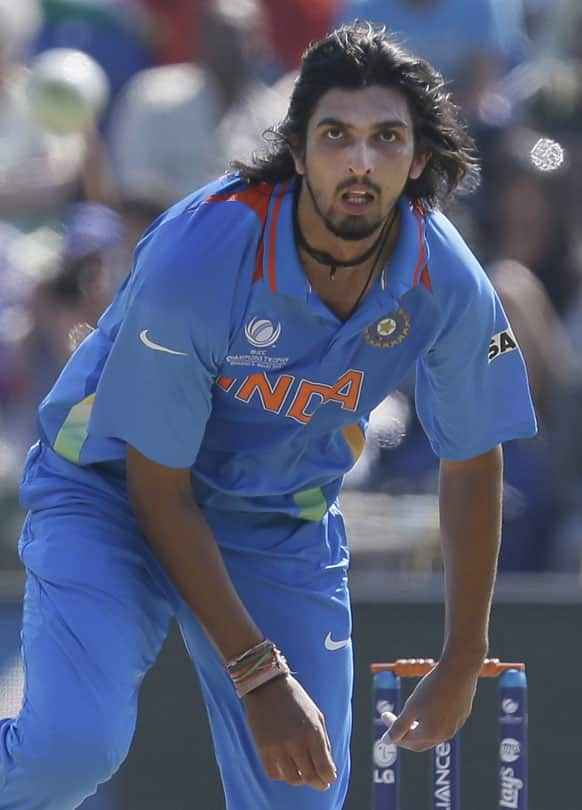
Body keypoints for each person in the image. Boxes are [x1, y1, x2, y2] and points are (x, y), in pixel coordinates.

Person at [0, 21, 537, 810]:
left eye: (387, 138)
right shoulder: (202, 255)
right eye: (335, 136)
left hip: (276, 520)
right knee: (70, 753)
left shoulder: (444, 276)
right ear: (296, 150)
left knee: (304, 798)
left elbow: (473, 457)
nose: (360, 161)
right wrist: (259, 673)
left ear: (419, 160)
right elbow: (159, 489)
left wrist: (463, 660)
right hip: (111, 497)